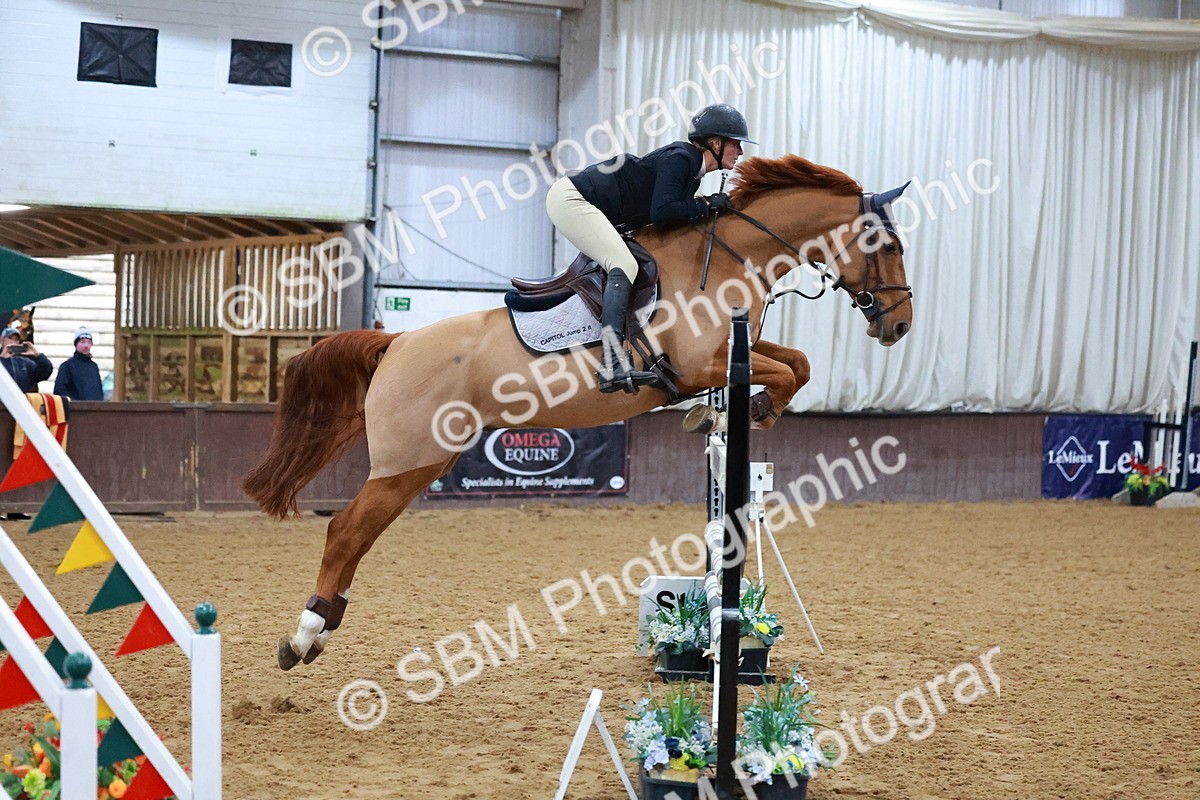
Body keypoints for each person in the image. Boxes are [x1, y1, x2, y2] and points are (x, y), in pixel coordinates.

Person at [546, 102, 754, 393]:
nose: (741, 152)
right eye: (736, 144)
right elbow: (662, 212)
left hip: (590, 203)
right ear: (716, 143)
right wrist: (704, 204)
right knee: (624, 264)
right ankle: (611, 363)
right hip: (572, 200)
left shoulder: (691, 172)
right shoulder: (682, 159)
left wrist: (705, 207)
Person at [54, 327, 103, 401]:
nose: (86, 345)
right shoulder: (67, 366)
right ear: (76, 344)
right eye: (82, 342)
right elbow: (59, 390)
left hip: (95, 409)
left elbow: (98, 391)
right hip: (75, 410)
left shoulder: (94, 367)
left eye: (89, 342)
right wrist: (74, 403)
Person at [0, 327, 53, 393]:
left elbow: (45, 372)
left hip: (21, 400)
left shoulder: (25, 362)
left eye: (16, 339)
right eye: (10, 338)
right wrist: (3, 359)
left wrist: (38, 355)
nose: (13, 342)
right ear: (1, 340)